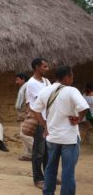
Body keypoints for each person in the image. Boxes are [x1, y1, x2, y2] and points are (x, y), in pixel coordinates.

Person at [31, 66, 89, 195]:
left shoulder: (45, 91)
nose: (72, 79)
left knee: (50, 167)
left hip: (52, 137)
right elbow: (84, 107)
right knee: (68, 170)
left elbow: (36, 110)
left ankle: (48, 192)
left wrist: (44, 124)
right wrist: (78, 119)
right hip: (69, 138)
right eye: (72, 76)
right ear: (67, 77)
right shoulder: (71, 90)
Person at [25, 58, 51, 189]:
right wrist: (42, 123)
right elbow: (37, 105)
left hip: (48, 120)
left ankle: (48, 176)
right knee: (38, 152)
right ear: (37, 67)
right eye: (44, 67)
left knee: (47, 151)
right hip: (41, 121)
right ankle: (38, 179)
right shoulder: (32, 83)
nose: (47, 69)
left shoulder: (46, 81)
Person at [15, 73, 33, 161]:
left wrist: (27, 112)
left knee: (24, 134)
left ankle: (38, 151)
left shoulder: (27, 87)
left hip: (25, 113)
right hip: (22, 113)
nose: (16, 82)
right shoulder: (24, 87)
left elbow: (28, 100)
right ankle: (28, 154)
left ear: (23, 79)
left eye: (17, 80)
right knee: (25, 134)